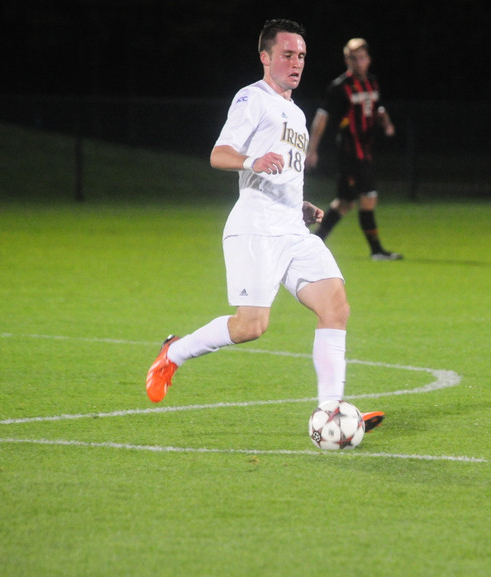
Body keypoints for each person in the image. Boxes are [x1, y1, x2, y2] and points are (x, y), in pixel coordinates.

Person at [146, 19, 383, 433]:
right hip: (255, 228)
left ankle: (331, 410)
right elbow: (219, 154)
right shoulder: (251, 99)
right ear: (265, 57)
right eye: (288, 55)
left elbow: (284, 171)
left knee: (335, 306)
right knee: (251, 326)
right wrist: (251, 161)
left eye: (302, 56)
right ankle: (173, 354)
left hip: (292, 228)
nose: (296, 63)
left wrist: (302, 205)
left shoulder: (295, 112)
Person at [306, 38, 402, 261]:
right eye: (352, 58)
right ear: (346, 60)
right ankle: (376, 251)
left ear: (368, 59)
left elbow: (377, 109)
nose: (357, 63)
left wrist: (385, 122)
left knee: (345, 203)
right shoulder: (340, 87)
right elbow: (322, 117)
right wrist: (313, 149)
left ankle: (313, 242)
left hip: (365, 151)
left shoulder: (372, 83)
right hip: (350, 152)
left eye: (361, 58)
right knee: (368, 197)